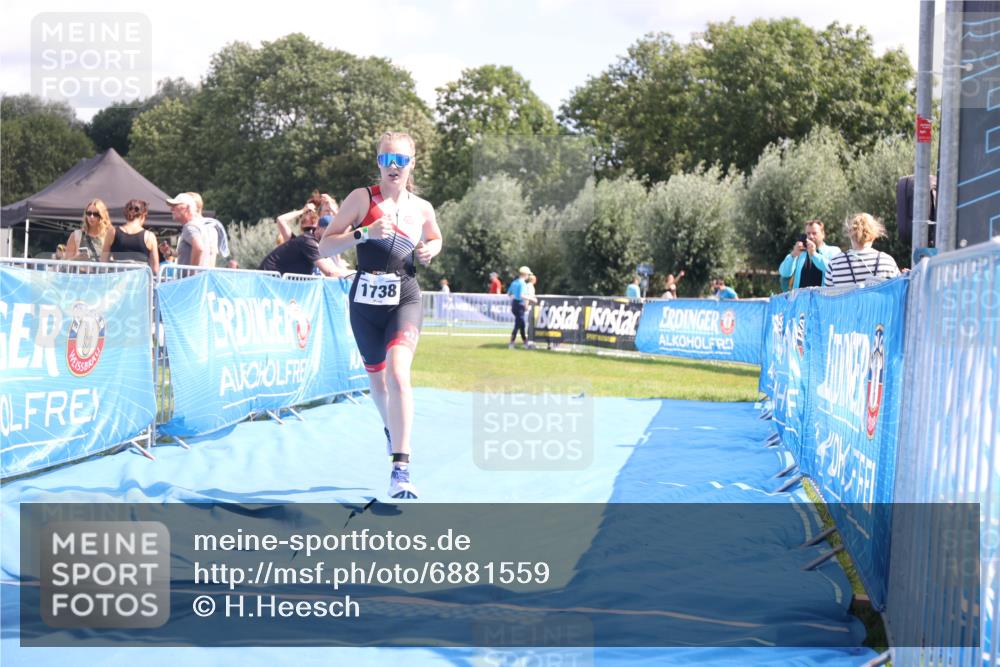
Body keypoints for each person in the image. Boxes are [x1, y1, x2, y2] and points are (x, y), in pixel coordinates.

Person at [318, 131, 442, 499]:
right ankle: (392, 430)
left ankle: (401, 469)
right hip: (365, 302)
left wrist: (430, 250)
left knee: (398, 371)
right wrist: (363, 233)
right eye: (386, 159)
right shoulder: (361, 198)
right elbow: (324, 245)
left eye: (400, 160)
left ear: (411, 164)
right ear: (378, 162)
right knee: (377, 382)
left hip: (405, 296)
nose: (393, 166)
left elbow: (435, 237)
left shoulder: (422, 208)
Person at [259, 209, 345, 276]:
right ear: (318, 228)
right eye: (329, 230)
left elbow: (333, 270)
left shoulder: (314, 245)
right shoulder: (308, 242)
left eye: (334, 231)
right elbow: (330, 272)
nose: (331, 234)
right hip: (269, 279)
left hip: (278, 281)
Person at [824, 213, 901, 287]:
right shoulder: (887, 261)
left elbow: (828, 297)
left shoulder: (835, 263)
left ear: (850, 233)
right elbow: (898, 292)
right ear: (874, 234)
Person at [101, 198, 159, 274]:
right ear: (143, 215)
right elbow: (155, 268)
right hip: (140, 282)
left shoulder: (112, 232)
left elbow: (103, 261)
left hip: (118, 281)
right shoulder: (150, 237)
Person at [778, 219, 840, 290]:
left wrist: (814, 254)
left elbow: (833, 270)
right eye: (808, 233)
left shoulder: (833, 251)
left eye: (814, 233)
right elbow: (784, 273)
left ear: (823, 234)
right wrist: (793, 254)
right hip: (800, 299)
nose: (811, 236)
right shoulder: (800, 252)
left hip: (822, 299)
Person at [167, 192, 218, 267]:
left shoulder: (190, 227)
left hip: (196, 278)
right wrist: (171, 253)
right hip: (201, 277)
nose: (171, 209)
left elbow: (199, 248)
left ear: (187, 208)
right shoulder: (197, 226)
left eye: (175, 206)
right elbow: (187, 253)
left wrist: (192, 273)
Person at [187, 192, 231, 261]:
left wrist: (193, 271)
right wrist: (170, 252)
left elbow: (211, 256)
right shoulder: (190, 227)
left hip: (202, 271)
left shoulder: (208, 228)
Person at [507, 266, 535, 350]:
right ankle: (511, 343)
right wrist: (532, 299)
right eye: (528, 275)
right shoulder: (522, 283)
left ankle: (525, 343)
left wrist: (515, 297)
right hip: (520, 305)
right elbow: (522, 295)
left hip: (514, 304)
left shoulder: (514, 282)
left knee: (521, 324)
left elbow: (509, 293)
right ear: (525, 274)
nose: (528, 276)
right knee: (518, 325)